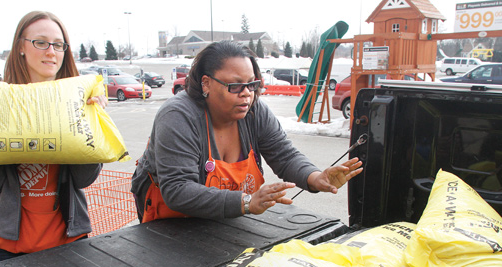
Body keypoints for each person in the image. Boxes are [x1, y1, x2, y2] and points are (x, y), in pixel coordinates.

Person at [131, 40, 362, 223]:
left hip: (226, 219)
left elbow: (284, 155)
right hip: (170, 226)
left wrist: (314, 177)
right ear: (206, 83)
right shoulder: (178, 116)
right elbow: (179, 190)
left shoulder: (254, 111)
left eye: (252, 84)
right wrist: (246, 202)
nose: (247, 94)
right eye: (235, 86)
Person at [0, 11, 106, 263]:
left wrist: (91, 125)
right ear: (21, 46)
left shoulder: (77, 100)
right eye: (40, 42)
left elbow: (83, 178)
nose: (51, 51)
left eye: (58, 44)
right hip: (8, 244)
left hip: (69, 240)